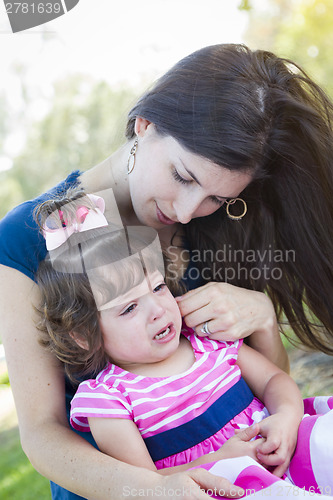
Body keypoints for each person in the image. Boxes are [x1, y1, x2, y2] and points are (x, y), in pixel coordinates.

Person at [0, 43, 332, 498]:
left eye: (217, 197)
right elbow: (42, 434)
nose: (189, 210)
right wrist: (155, 490)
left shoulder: (222, 223)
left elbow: (263, 386)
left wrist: (264, 318)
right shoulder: (26, 237)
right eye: (183, 176)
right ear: (145, 125)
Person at [35, 190, 333, 499]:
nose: (158, 310)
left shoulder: (207, 342)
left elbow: (274, 379)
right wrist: (216, 461)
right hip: (223, 488)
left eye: (158, 287)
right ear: (83, 335)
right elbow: (143, 483)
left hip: (287, 451)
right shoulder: (110, 399)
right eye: (129, 308)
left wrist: (285, 416)